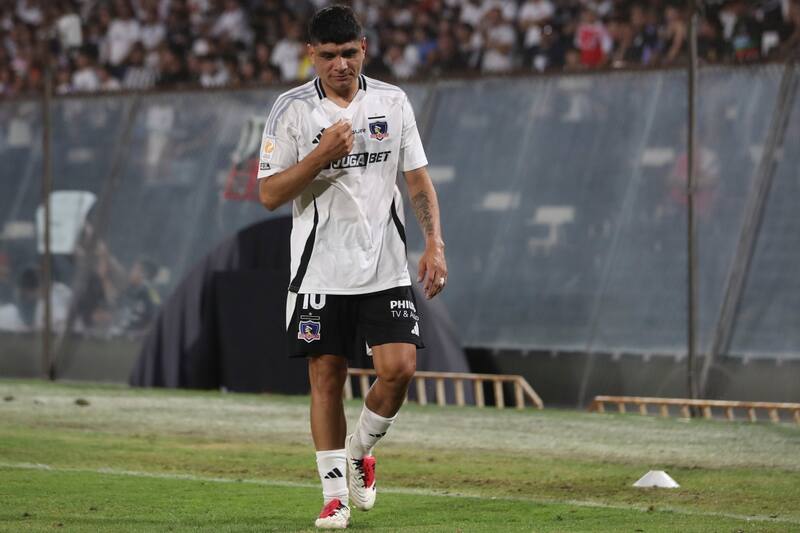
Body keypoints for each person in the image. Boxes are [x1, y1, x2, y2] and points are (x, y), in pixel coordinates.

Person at [256, 6, 447, 529]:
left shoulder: (392, 100)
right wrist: (319, 156)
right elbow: (269, 193)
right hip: (320, 270)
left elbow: (417, 181)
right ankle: (334, 496)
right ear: (311, 55)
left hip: (384, 264)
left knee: (400, 368)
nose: (339, 64)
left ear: (363, 48)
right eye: (327, 55)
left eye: (348, 53)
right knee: (327, 377)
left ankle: (360, 451)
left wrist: (435, 243)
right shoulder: (290, 110)